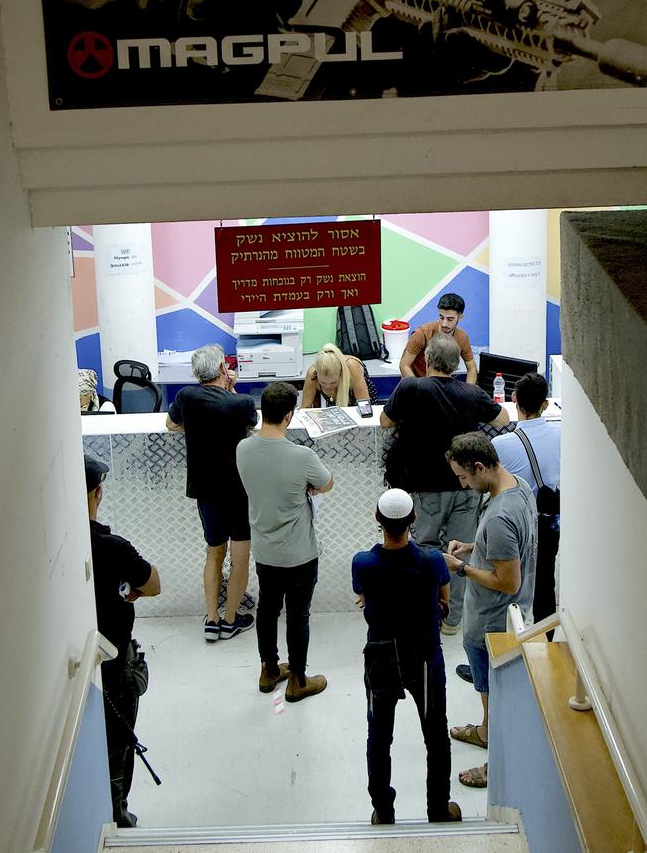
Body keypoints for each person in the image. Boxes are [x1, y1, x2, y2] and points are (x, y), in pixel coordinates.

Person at [381, 336, 509, 636]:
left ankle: (428, 611)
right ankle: (453, 620)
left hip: (425, 489)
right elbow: (502, 418)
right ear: (456, 365)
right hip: (466, 488)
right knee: (462, 553)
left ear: (427, 359)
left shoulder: (411, 387)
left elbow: (386, 421)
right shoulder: (471, 392)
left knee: (425, 548)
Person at [352, 488, 461, 826]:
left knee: (380, 736)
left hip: (382, 658)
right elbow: (443, 596)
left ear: (377, 519)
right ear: (414, 518)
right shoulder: (432, 560)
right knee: (435, 735)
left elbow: (362, 595)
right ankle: (438, 810)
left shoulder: (364, 562)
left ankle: (383, 811)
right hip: (425, 658)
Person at [444, 432, 537, 790]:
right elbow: (507, 550)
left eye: (464, 477)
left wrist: (460, 567)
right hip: (493, 619)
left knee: (497, 697)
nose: (463, 484)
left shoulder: (499, 516)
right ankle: (484, 732)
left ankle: (496, 764)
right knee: (488, 693)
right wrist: (472, 547)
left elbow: (507, 582)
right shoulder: (517, 486)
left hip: (493, 626)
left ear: (480, 466)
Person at [236, 381, 333, 701]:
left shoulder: (243, 448)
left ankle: (268, 670)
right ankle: (298, 680)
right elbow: (326, 483)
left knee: (267, 608)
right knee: (298, 614)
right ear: (289, 416)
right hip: (299, 553)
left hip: (264, 550)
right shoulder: (301, 455)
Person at [85, 455, 161, 828]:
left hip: (82, 660)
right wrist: (131, 590)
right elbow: (153, 583)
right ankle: (118, 810)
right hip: (113, 660)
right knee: (119, 738)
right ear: (98, 493)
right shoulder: (113, 547)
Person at [166, 344, 257, 641]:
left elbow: (171, 425)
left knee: (214, 553)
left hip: (205, 489)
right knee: (240, 554)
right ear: (222, 369)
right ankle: (231, 620)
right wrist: (231, 389)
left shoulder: (186, 397)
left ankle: (212, 618)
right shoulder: (240, 402)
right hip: (239, 489)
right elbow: (252, 424)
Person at [492, 372, 560, 638]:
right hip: (550, 522)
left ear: (513, 398)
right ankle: (547, 643)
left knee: (508, 585)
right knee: (545, 581)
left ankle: (506, 647)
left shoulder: (501, 445)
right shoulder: (562, 433)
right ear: (545, 404)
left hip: (516, 526)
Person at [399, 293, 477, 384]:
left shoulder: (462, 338)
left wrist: (468, 393)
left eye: (450, 319)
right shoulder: (421, 334)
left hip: (442, 388)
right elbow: (404, 365)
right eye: (441, 317)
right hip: (416, 387)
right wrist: (418, 387)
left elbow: (472, 369)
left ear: (460, 317)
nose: (444, 324)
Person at [300, 342, 378, 408]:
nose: (328, 386)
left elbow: (365, 406)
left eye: (333, 382)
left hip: (360, 405)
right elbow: (305, 408)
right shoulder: (312, 374)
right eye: (323, 383)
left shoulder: (352, 367)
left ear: (341, 373)